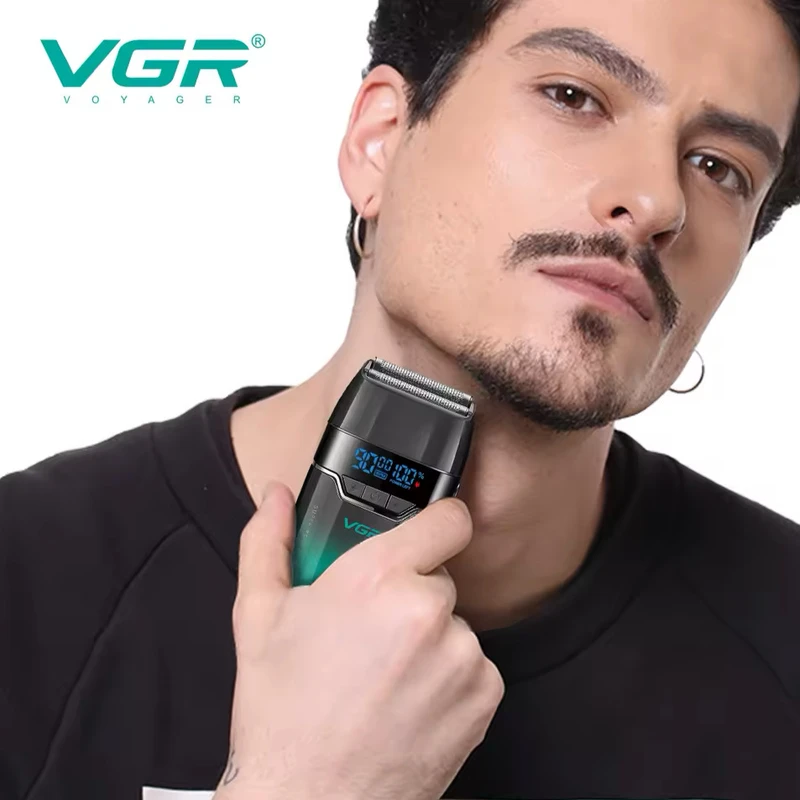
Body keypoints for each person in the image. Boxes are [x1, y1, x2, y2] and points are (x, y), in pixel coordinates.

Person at [3, 0, 800, 798]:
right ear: (380, 140)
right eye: (574, 97)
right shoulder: (29, 582)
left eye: (719, 168)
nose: (658, 201)